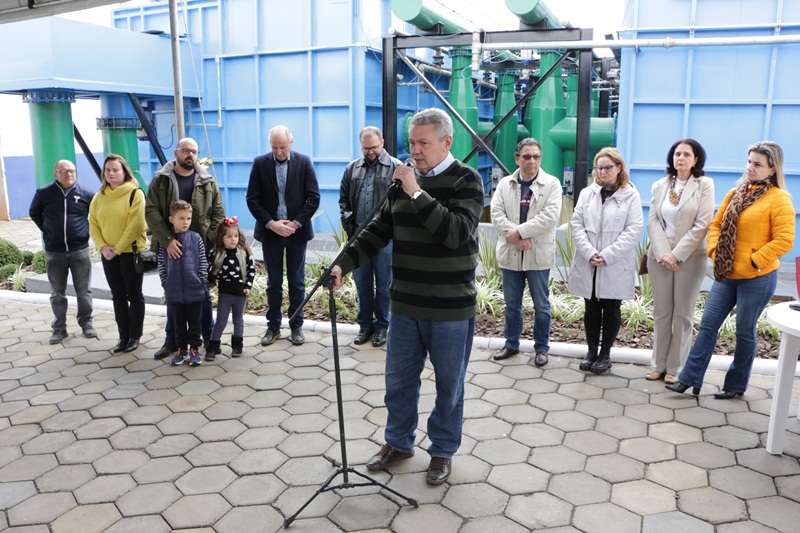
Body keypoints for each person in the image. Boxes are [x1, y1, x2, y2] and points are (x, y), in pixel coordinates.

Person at [331, 108, 484, 485]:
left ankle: (442, 450)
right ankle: (398, 442)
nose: (414, 151)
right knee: (398, 383)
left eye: (423, 143)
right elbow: (375, 230)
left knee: (449, 386)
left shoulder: (467, 180)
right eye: (411, 143)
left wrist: (416, 191)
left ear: (446, 142)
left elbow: (455, 233)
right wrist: (341, 264)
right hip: (405, 305)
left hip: (449, 308)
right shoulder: (401, 183)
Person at [667, 141, 795, 399]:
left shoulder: (779, 199)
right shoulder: (736, 192)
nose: (750, 168)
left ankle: (735, 385)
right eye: (749, 161)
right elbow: (716, 225)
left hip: (758, 277)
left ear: (772, 169)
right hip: (727, 275)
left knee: (744, 332)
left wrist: (754, 260)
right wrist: (715, 251)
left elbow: (784, 240)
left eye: (757, 164)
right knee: (707, 325)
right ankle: (690, 379)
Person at [145, 138, 225, 359]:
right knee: (174, 295)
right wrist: (167, 240)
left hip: (199, 248)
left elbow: (218, 213)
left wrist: (207, 240)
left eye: (194, 151)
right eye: (185, 150)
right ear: (176, 152)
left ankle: (208, 340)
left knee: (204, 295)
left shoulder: (207, 181)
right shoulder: (161, 180)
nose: (190, 155)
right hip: (171, 247)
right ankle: (172, 341)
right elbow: (151, 211)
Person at [645, 139, 714, 384]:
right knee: (662, 312)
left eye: (686, 154)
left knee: (683, 315)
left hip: (690, 258)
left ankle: (676, 367)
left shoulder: (704, 184)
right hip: (660, 257)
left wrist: (677, 254)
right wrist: (665, 253)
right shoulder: (660, 185)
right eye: (676, 154)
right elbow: (653, 221)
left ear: (696, 159)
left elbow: (703, 223)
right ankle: (658, 365)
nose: (680, 158)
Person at [569, 147, 644, 374]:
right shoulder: (587, 193)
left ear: (619, 168)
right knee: (591, 308)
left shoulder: (631, 195)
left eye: (608, 167)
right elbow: (576, 224)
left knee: (611, 309)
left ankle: (605, 355)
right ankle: (591, 351)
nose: (603, 172)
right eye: (599, 168)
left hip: (613, 263)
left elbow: (633, 230)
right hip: (589, 260)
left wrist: (607, 255)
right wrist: (589, 252)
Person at [490, 138, 562, 367]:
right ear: (517, 158)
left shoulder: (552, 184)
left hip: (537, 254)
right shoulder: (504, 184)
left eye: (536, 157)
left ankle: (541, 348)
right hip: (511, 253)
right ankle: (511, 344)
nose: (532, 161)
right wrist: (516, 238)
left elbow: (550, 217)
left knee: (541, 306)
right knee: (512, 305)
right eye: (527, 156)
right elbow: (496, 214)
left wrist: (519, 232)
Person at [246, 125, 320, 346]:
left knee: (297, 282)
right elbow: (252, 199)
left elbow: (313, 198)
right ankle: (273, 327)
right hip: (271, 233)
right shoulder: (260, 163)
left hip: (296, 232)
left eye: (283, 147)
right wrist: (271, 224)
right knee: (273, 282)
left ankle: (296, 326)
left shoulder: (304, 162)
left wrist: (295, 224)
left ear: (291, 143)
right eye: (274, 147)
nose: (278, 152)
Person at [338, 126, 401, 348]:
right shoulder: (351, 168)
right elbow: (343, 200)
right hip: (357, 238)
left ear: (382, 142)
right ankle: (365, 326)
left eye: (374, 147)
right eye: (366, 148)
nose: (370, 152)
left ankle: (382, 327)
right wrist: (349, 223)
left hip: (385, 241)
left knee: (384, 285)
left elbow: (402, 204)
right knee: (362, 285)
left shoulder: (396, 167)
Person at [29, 160, 96, 344]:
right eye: (64, 171)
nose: (69, 174)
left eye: (72, 170)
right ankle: (59, 328)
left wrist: (84, 232)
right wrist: (49, 231)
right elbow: (34, 213)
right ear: (55, 174)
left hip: (79, 250)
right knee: (57, 293)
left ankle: (87, 323)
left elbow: (96, 215)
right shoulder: (44, 193)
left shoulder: (86, 193)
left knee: (84, 291)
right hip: (54, 252)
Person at [88, 154, 148, 353]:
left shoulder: (135, 193)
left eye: (115, 170)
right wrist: (103, 247)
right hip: (108, 254)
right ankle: (123, 336)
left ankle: (134, 336)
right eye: (108, 170)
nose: (111, 173)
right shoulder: (100, 195)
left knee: (134, 294)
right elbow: (93, 223)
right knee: (118, 296)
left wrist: (118, 248)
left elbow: (135, 225)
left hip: (130, 253)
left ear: (124, 172)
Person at [158, 200, 208, 367]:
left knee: (195, 323)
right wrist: (166, 282)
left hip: (195, 290)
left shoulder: (196, 238)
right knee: (178, 324)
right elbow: (161, 264)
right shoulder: (165, 241)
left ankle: (194, 349)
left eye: (188, 218)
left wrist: (201, 281)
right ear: (171, 219)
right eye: (181, 218)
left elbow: (202, 261)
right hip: (174, 292)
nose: (185, 222)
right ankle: (181, 350)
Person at [206, 217, 256, 360]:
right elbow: (208, 267)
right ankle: (213, 346)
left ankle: (237, 345)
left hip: (240, 292)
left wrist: (247, 286)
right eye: (229, 236)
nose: (233, 239)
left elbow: (251, 270)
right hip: (225, 292)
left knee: (238, 320)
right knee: (221, 320)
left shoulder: (244, 252)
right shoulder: (216, 253)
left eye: (236, 236)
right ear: (221, 238)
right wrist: (211, 278)